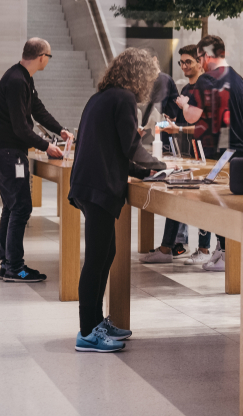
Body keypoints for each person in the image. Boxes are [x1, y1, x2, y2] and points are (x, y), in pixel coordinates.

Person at [69, 47, 166, 353]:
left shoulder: (101, 97)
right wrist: (162, 165)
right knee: (96, 260)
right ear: (139, 74)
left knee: (106, 253)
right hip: (99, 187)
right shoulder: (123, 99)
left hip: (88, 184)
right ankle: (87, 332)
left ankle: (97, 322)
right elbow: (130, 147)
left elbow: (112, 149)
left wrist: (145, 172)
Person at [0, 37, 72, 283]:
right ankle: (15, 267)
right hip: (8, 153)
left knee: (12, 206)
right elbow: (20, 128)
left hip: (7, 151)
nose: (48, 60)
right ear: (42, 57)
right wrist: (47, 146)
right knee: (21, 207)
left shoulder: (24, 78)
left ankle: (7, 263)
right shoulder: (16, 81)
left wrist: (60, 130)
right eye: (49, 56)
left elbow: (37, 109)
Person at [172, 35, 243, 271]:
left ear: (206, 56)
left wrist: (184, 104)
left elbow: (191, 116)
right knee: (229, 205)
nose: (199, 63)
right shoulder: (237, 78)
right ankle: (224, 250)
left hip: (220, 155)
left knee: (217, 206)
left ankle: (227, 254)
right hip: (240, 153)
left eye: (198, 58)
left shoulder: (207, 79)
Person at [141, 45, 212, 265]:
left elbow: (205, 126)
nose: (184, 66)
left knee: (204, 202)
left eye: (188, 61)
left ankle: (204, 248)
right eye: (181, 62)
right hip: (186, 154)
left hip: (205, 155)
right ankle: (168, 247)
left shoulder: (205, 88)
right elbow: (178, 123)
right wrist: (162, 125)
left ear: (200, 62)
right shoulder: (186, 91)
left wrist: (178, 128)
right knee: (177, 197)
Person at [137, 49, 180, 152]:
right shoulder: (150, 81)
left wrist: (141, 128)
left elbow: (157, 107)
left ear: (154, 59)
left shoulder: (162, 78)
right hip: (162, 130)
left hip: (168, 130)